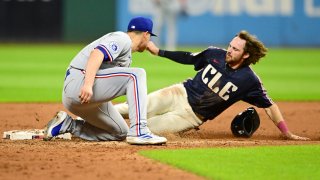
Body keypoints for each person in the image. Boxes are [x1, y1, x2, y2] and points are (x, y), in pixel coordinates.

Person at [115, 30, 310, 141]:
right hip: (178, 93)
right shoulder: (214, 53)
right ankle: (87, 116)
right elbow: (189, 58)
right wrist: (159, 52)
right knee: (131, 107)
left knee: (145, 130)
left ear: (246, 55)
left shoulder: (249, 81)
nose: (229, 50)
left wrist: (287, 133)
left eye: (235, 49)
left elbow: (270, 106)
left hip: (190, 117)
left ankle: (105, 130)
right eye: (230, 46)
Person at [43, 17, 167, 145]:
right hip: (79, 84)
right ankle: (139, 131)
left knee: (119, 132)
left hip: (84, 98)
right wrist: (88, 84)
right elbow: (96, 53)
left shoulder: (127, 54)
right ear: (146, 34)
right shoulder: (122, 38)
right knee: (137, 75)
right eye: (150, 37)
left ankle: (68, 125)